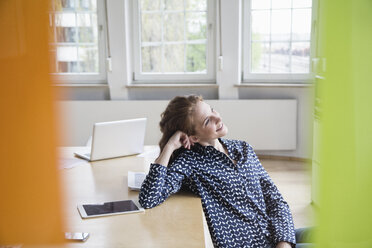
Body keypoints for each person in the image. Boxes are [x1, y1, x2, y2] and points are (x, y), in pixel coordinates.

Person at [139, 95, 313, 248]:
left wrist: (284, 241)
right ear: (194, 137)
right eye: (207, 120)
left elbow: (274, 199)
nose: (217, 116)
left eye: (212, 110)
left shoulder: (243, 148)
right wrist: (169, 147)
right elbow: (149, 198)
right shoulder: (190, 163)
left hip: (274, 236)